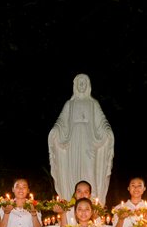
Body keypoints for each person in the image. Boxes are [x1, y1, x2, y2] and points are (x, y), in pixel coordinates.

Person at [48, 73, 115, 203]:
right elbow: (61, 121)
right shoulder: (70, 104)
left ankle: (93, 202)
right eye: (80, 83)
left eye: (84, 83)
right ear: (75, 86)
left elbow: (102, 121)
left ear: (88, 85)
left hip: (89, 141)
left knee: (90, 170)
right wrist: (55, 130)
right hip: (73, 141)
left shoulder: (93, 103)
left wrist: (107, 130)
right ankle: (71, 200)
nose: (82, 85)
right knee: (72, 170)